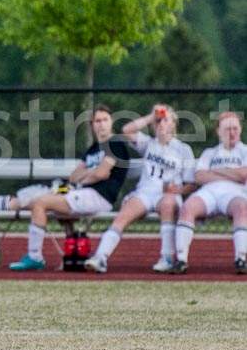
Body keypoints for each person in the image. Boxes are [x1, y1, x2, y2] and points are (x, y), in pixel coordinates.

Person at [0, 105, 132, 271]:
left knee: (40, 203)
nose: (102, 124)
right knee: (35, 202)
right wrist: (88, 174)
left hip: (99, 197)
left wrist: (85, 177)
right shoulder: (93, 149)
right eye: (97, 121)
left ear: (111, 122)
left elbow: (102, 174)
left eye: (105, 120)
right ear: (92, 125)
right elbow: (74, 176)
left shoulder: (115, 144)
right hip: (82, 193)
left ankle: (35, 258)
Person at [84, 104, 196, 274]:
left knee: (167, 203)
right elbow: (126, 130)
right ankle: (100, 257)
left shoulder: (183, 149)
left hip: (167, 195)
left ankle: (166, 258)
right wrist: (151, 116)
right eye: (158, 122)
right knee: (123, 216)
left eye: (165, 120)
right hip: (146, 192)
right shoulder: (148, 143)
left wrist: (177, 190)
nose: (161, 124)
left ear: (173, 124)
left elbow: (190, 184)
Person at [163, 111, 247, 274]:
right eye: (227, 129)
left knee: (243, 208)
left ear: (241, 129)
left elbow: (244, 174)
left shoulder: (244, 151)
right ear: (218, 131)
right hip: (209, 192)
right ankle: (181, 260)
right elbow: (200, 176)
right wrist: (232, 172)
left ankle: (241, 258)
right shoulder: (210, 153)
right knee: (187, 207)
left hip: (234, 193)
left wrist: (216, 172)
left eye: (235, 128)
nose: (232, 132)